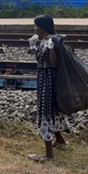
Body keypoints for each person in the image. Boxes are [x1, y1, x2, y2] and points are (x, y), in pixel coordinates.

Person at [28, 15, 69, 162]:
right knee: (53, 110)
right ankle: (60, 140)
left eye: (36, 26)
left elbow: (53, 63)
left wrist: (51, 48)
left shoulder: (51, 41)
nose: (34, 28)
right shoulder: (45, 41)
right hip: (45, 77)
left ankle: (49, 154)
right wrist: (33, 46)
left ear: (43, 27)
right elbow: (40, 60)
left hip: (48, 80)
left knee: (45, 111)